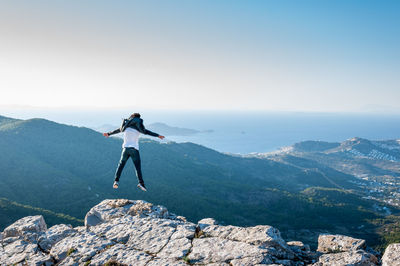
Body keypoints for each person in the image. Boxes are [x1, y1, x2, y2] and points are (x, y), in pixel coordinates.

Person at [103, 113, 165, 191]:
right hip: (134, 149)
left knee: (121, 165)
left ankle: (116, 181)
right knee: (137, 167)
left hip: (125, 149)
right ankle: (141, 183)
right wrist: (158, 135)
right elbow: (147, 132)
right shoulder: (139, 129)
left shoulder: (125, 127)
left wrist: (108, 134)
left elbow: (118, 130)